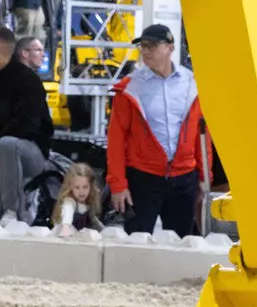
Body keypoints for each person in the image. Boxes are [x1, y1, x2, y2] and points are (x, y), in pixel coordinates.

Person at [106, 23, 208, 237]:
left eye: (152, 46)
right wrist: (118, 184)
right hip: (143, 178)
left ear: (170, 48)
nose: (145, 51)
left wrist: (204, 177)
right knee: (136, 242)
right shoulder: (129, 88)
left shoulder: (193, 84)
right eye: (143, 46)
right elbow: (115, 139)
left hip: (185, 178)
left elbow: (201, 133)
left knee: (184, 243)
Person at [0, 25, 52, 223]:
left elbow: (28, 124)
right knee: (3, 146)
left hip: (32, 153)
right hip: (1, 157)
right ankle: (2, 215)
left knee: (7, 143)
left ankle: (11, 211)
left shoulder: (28, 80)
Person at [51, 162, 103, 237]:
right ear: (70, 187)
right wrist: (65, 229)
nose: (81, 192)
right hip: (66, 234)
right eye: (77, 187)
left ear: (91, 186)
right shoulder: (69, 201)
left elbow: (93, 219)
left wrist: (104, 231)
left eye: (85, 187)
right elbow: (68, 214)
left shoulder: (88, 202)